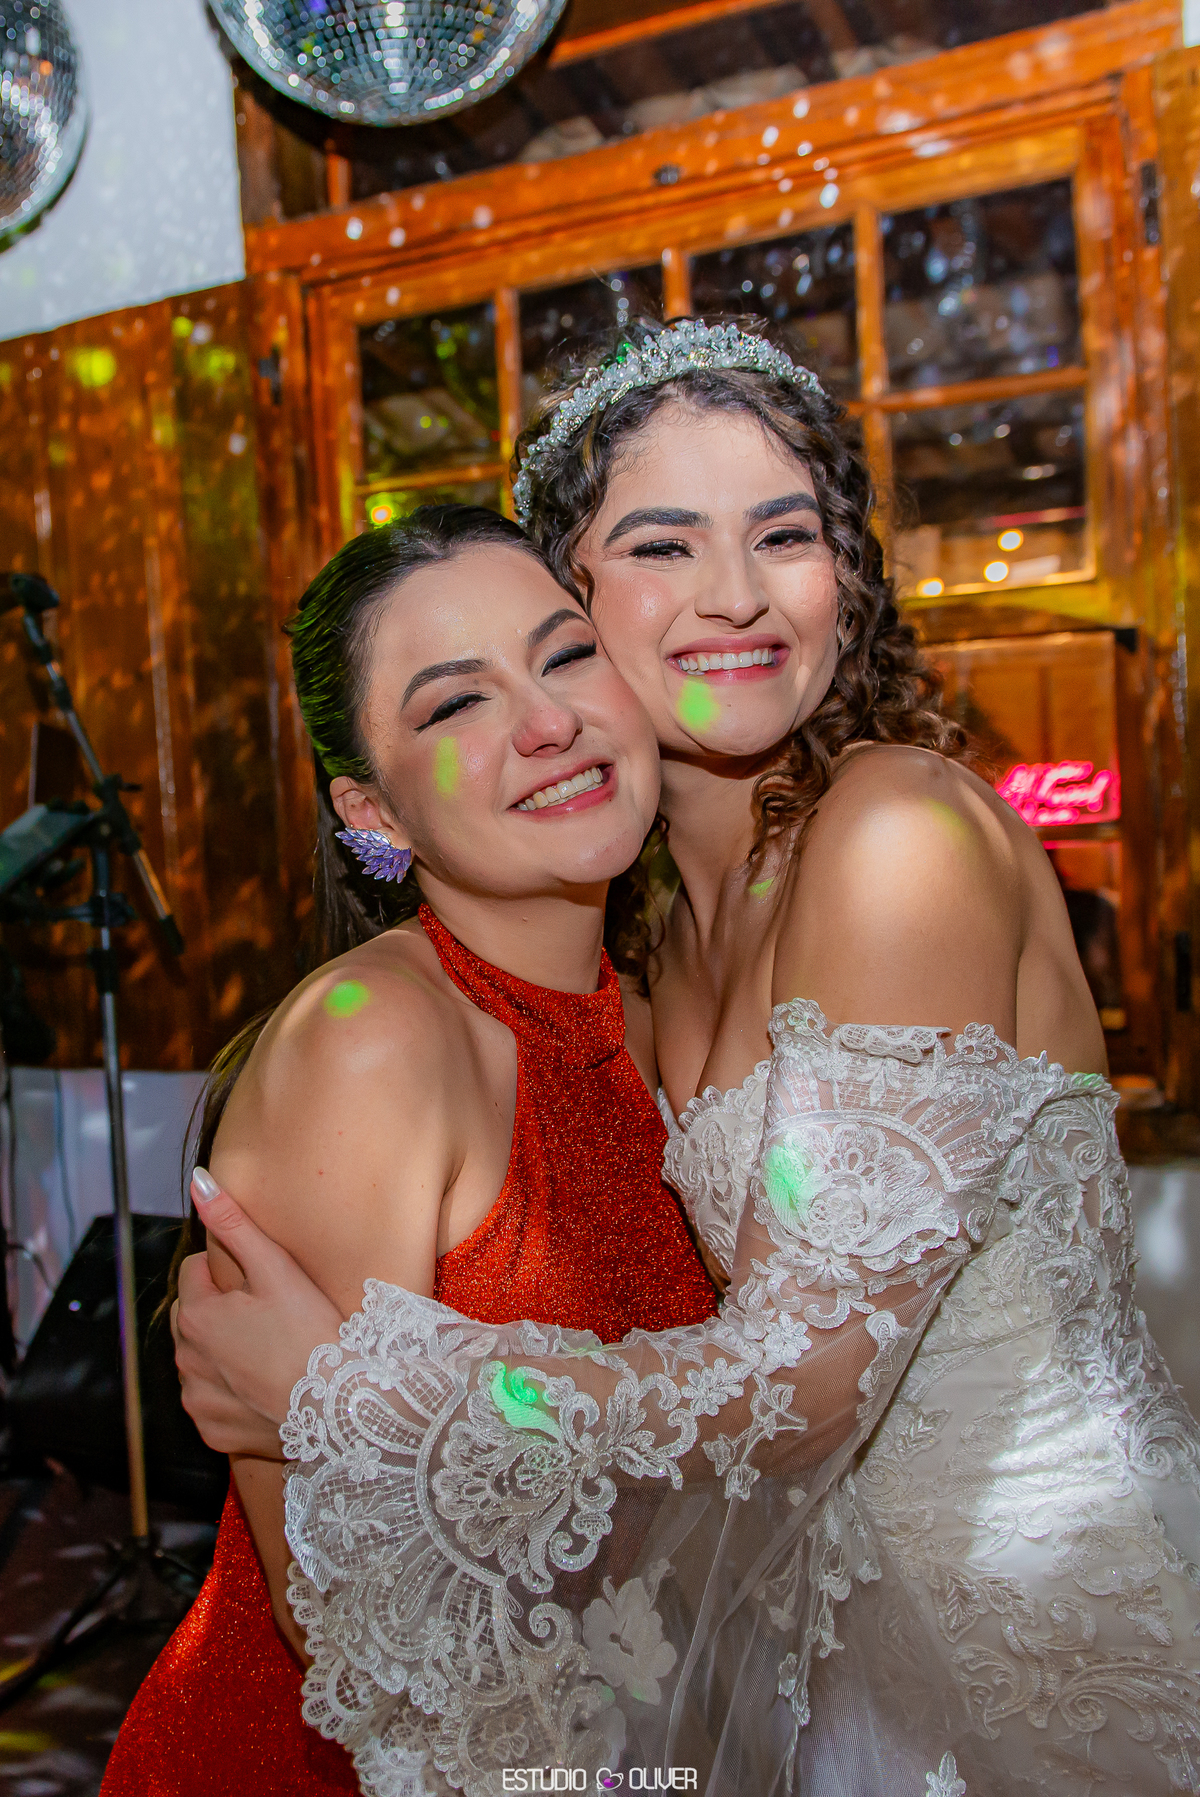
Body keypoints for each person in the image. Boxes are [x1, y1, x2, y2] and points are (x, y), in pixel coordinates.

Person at [173, 320, 1200, 1795]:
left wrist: (357, 1393)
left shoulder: (898, 839)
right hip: (815, 1681)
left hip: (1030, 1662)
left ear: (847, 580)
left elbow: (808, 1383)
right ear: (582, 598)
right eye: (664, 544)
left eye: (786, 533)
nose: (736, 593)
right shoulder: (647, 955)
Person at [100, 505, 720, 1796]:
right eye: (456, 703)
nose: (546, 722)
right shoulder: (370, 1040)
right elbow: (343, 1614)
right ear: (372, 808)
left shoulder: (654, 1020)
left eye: (565, 654)